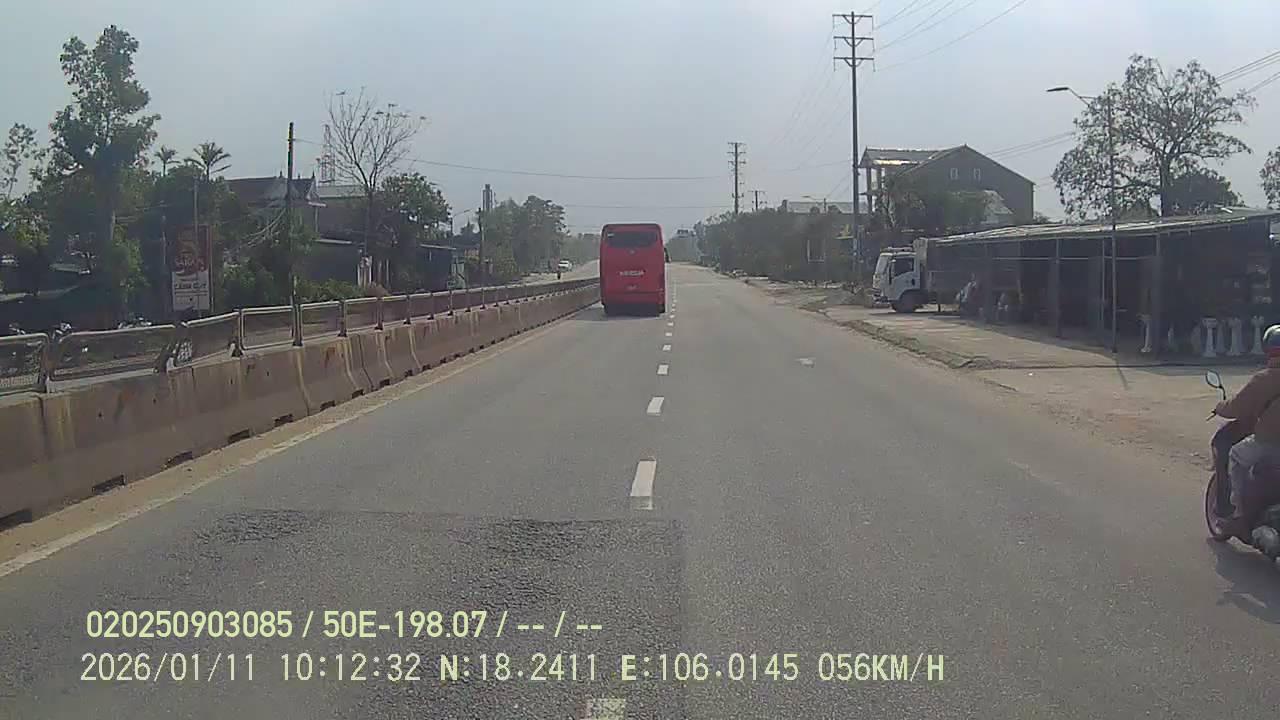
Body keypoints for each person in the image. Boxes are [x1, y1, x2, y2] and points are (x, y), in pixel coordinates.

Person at [1215, 324, 1280, 520]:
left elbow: (1237, 407)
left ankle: (1239, 511)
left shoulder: (1263, 379)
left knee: (1235, 456)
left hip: (1269, 443)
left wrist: (1220, 407)